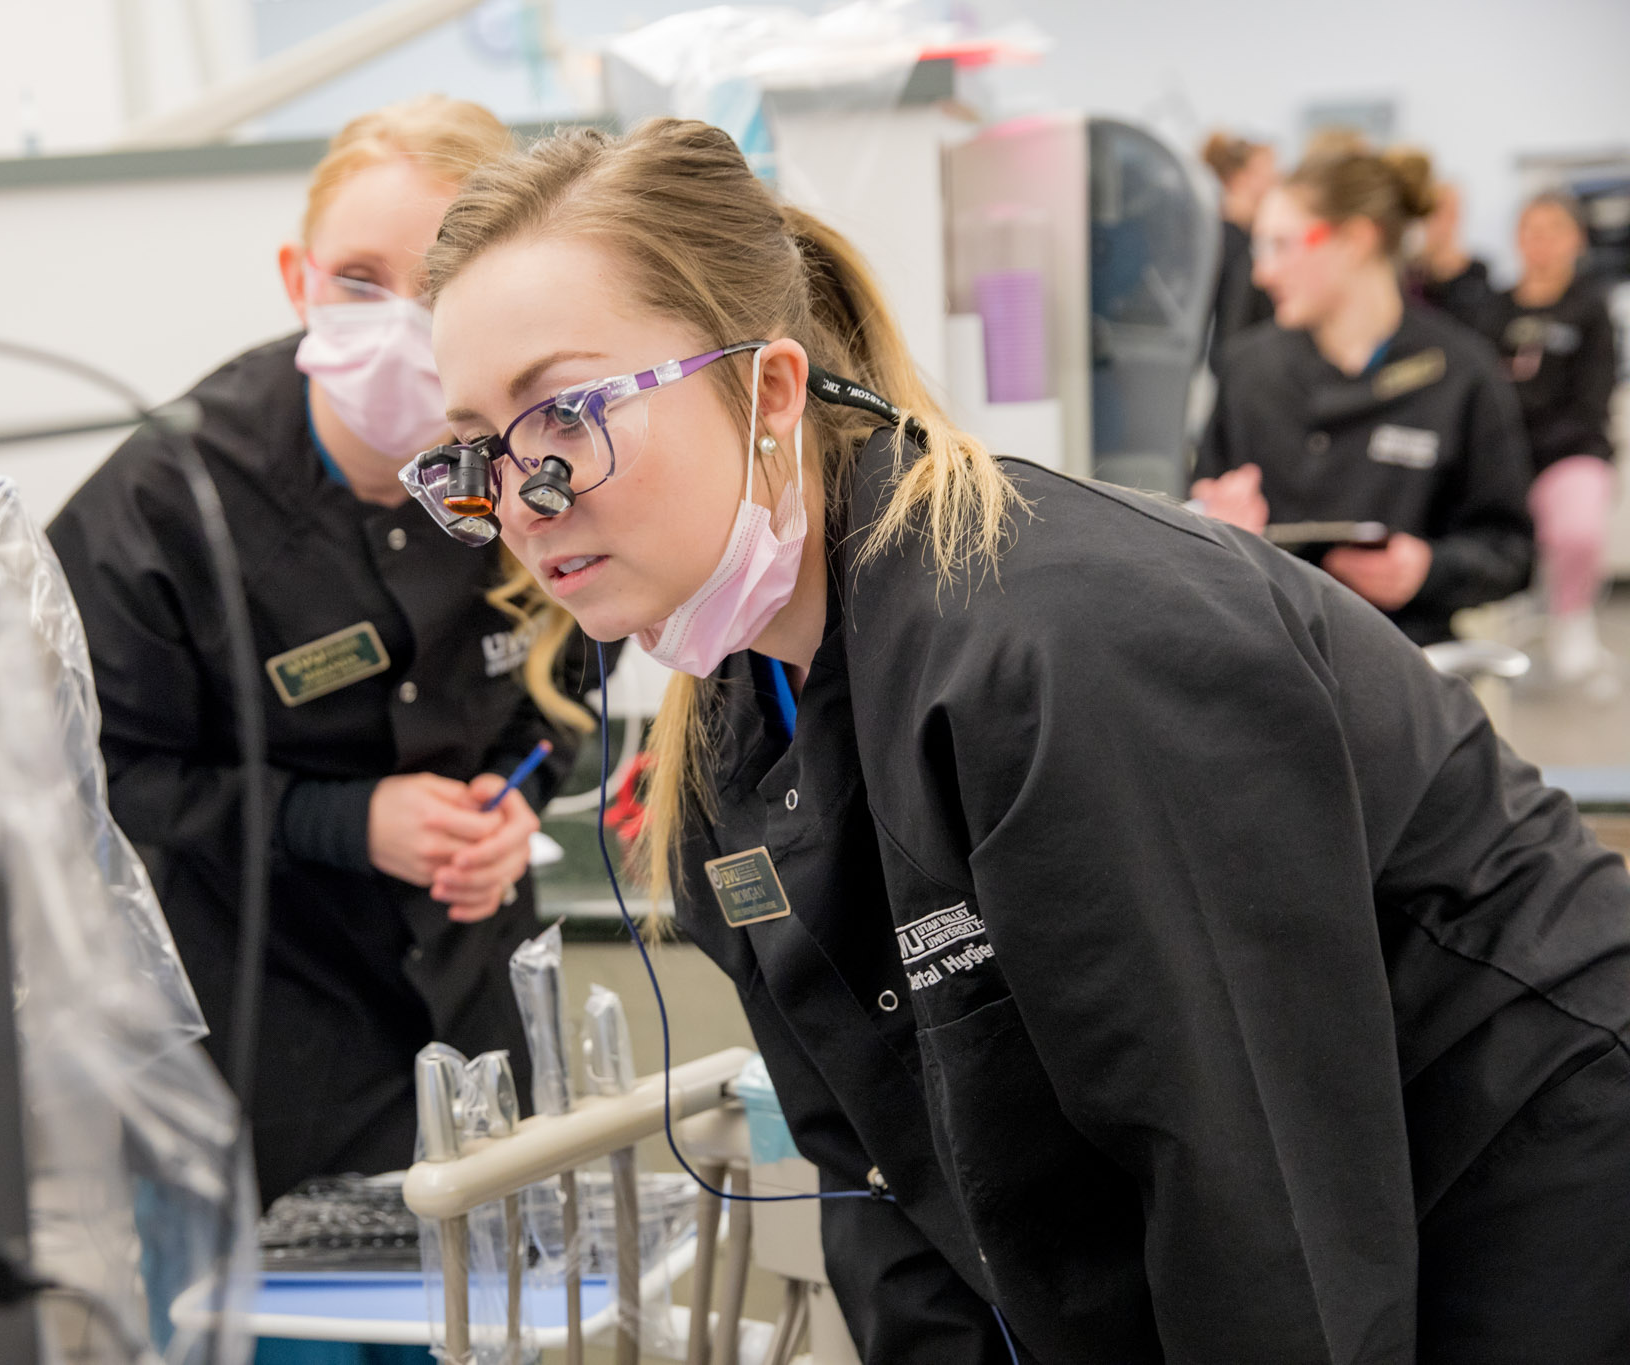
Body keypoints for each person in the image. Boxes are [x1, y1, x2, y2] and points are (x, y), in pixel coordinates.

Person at [406, 118, 1630, 1363]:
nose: (519, 499)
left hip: (1520, 1154)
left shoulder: (1060, 642)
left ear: (769, 388)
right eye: (474, 452)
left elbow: (1251, 1193)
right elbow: (882, 1186)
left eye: (563, 413)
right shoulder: (728, 746)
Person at [48, 96, 596, 1206]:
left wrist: (519, 793)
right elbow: (89, 787)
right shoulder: (163, 507)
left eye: (440, 285)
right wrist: (341, 822)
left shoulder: (539, 454)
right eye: (358, 278)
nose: (398, 319)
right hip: (265, 1038)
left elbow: (583, 667)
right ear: (297, 280)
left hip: (478, 1009)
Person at [1192, 146, 1534, 643]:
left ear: (1355, 239)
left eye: (1281, 246)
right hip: (1268, 652)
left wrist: (1429, 570)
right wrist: (1214, 527)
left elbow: (1511, 552)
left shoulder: (1459, 373)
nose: (1262, 274)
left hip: (1402, 660)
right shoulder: (1249, 369)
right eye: (1258, 248)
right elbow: (1192, 511)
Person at [1478, 190, 1620, 683]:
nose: (1541, 243)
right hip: (1500, 457)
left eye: (1553, 231)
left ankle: (1571, 619)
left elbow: (1591, 401)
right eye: (1531, 231)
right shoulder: (1491, 310)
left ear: (1576, 239)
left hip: (1569, 454)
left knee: (1576, 530)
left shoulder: (1590, 309)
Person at [1199, 131, 1278, 374]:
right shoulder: (1227, 244)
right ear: (1239, 177)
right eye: (1268, 171)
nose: (1277, 178)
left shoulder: (1249, 238)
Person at [1409, 181, 1495, 330]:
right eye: (1436, 212)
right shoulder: (1409, 275)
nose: (1444, 221)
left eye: (1450, 212)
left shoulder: (1477, 273)